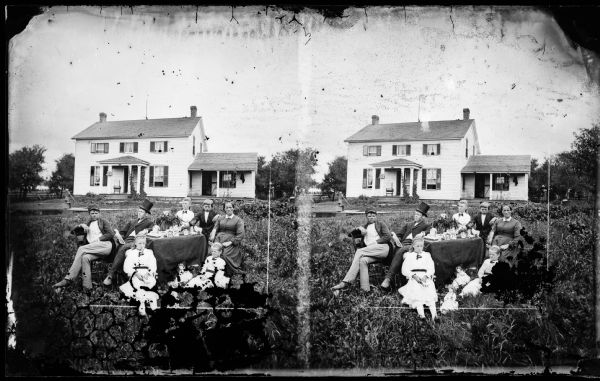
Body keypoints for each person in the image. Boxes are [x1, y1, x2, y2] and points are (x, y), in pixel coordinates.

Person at [53, 205, 116, 291]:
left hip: (105, 245)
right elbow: (72, 232)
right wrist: (81, 225)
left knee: (81, 249)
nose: (94, 215)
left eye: (96, 213)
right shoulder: (87, 224)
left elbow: (111, 234)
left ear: (99, 213)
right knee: (85, 258)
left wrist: (98, 239)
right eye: (92, 213)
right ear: (89, 214)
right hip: (94, 249)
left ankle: (68, 279)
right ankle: (87, 287)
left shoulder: (103, 222)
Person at [331, 209, 392, 293]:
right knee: (363, 260)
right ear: (366, 217)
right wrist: (359, 228)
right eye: (369, 216)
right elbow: (350, 234)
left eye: (373, 216)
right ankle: (365, 290)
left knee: (360, 251)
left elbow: (388, 236)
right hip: (371, 252)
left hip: (382, 248)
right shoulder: (365, 227)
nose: (371, 218)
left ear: (376, 216)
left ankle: (346, 282)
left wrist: (375, 242)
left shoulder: (380, 224)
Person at [102, 199, 156, 286]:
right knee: (114, 245)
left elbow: (153, 228)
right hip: (126, 240)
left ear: (146, 214)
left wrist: (146, 230)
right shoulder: (132, 221)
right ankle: (116, 272)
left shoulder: (149, 222)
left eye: (141, 212)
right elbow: (123, 232)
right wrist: (118, 235)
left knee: (123, 248)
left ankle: (110, 275)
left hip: (136, 241)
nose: (139, 213)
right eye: (139, 211)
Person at [380, 202, 431, 290]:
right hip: (402, 244)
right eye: (415, 214)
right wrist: (396, 238)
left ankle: (388, 278)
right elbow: (400, 234)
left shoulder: (425, 225)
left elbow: (429, 231)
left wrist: (423, 233)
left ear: (423, 217)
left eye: (418, 215)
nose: (415, 216)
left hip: (412, 245)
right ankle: (394, 281)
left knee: (401, 250)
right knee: (392, 250)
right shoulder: (408, 224)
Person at [398, 237, 438, 320]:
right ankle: (421, 315)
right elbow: (405, 269)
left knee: (430, 296)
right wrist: (413, 275)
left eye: (421, 246)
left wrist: (426, 275)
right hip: (414, 278)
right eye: (417, 246)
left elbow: (431, 267)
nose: (420, 248)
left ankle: (434, 316)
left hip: (425, 277)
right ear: (413, 246)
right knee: (417, 296)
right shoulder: (409, 256)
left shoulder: (426, 255)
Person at [119, 235, 159, 316]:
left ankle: (151, 301)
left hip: (146, 273)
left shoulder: (149, 252)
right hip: (136, 273)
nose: (141, 245)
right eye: (139, 243)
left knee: (150, 283)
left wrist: (149, 273)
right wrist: (136, 273)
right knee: (137, 285)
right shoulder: (131, 253)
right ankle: (142, 305)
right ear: (135, 244)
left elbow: (152, 264)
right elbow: (127, 266)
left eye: (143, 243)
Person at [209, 201, 245, 276]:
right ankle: (212, 272)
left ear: (233, 208)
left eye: (230, 207)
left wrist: (231, 242)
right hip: (219, 239)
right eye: (226, 207)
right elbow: (215, 228)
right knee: (212, 252)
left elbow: (241, 234)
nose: (228, 209)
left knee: (224, 254)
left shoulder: (238, 220)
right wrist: (212, 235)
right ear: (224, 209)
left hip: (230, 241)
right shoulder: (221, 218)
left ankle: (227, 272)